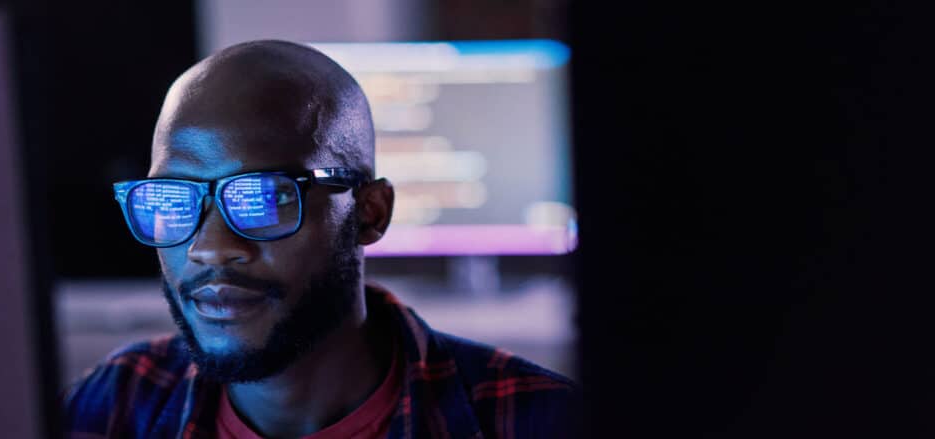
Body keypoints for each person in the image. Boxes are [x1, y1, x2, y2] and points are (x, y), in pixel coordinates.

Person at [63, 40, 578, 438]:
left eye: (266, 198)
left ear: (370, 213)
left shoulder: (535, 418)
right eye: (173, 200)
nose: (211, 246)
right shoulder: (112, 406)